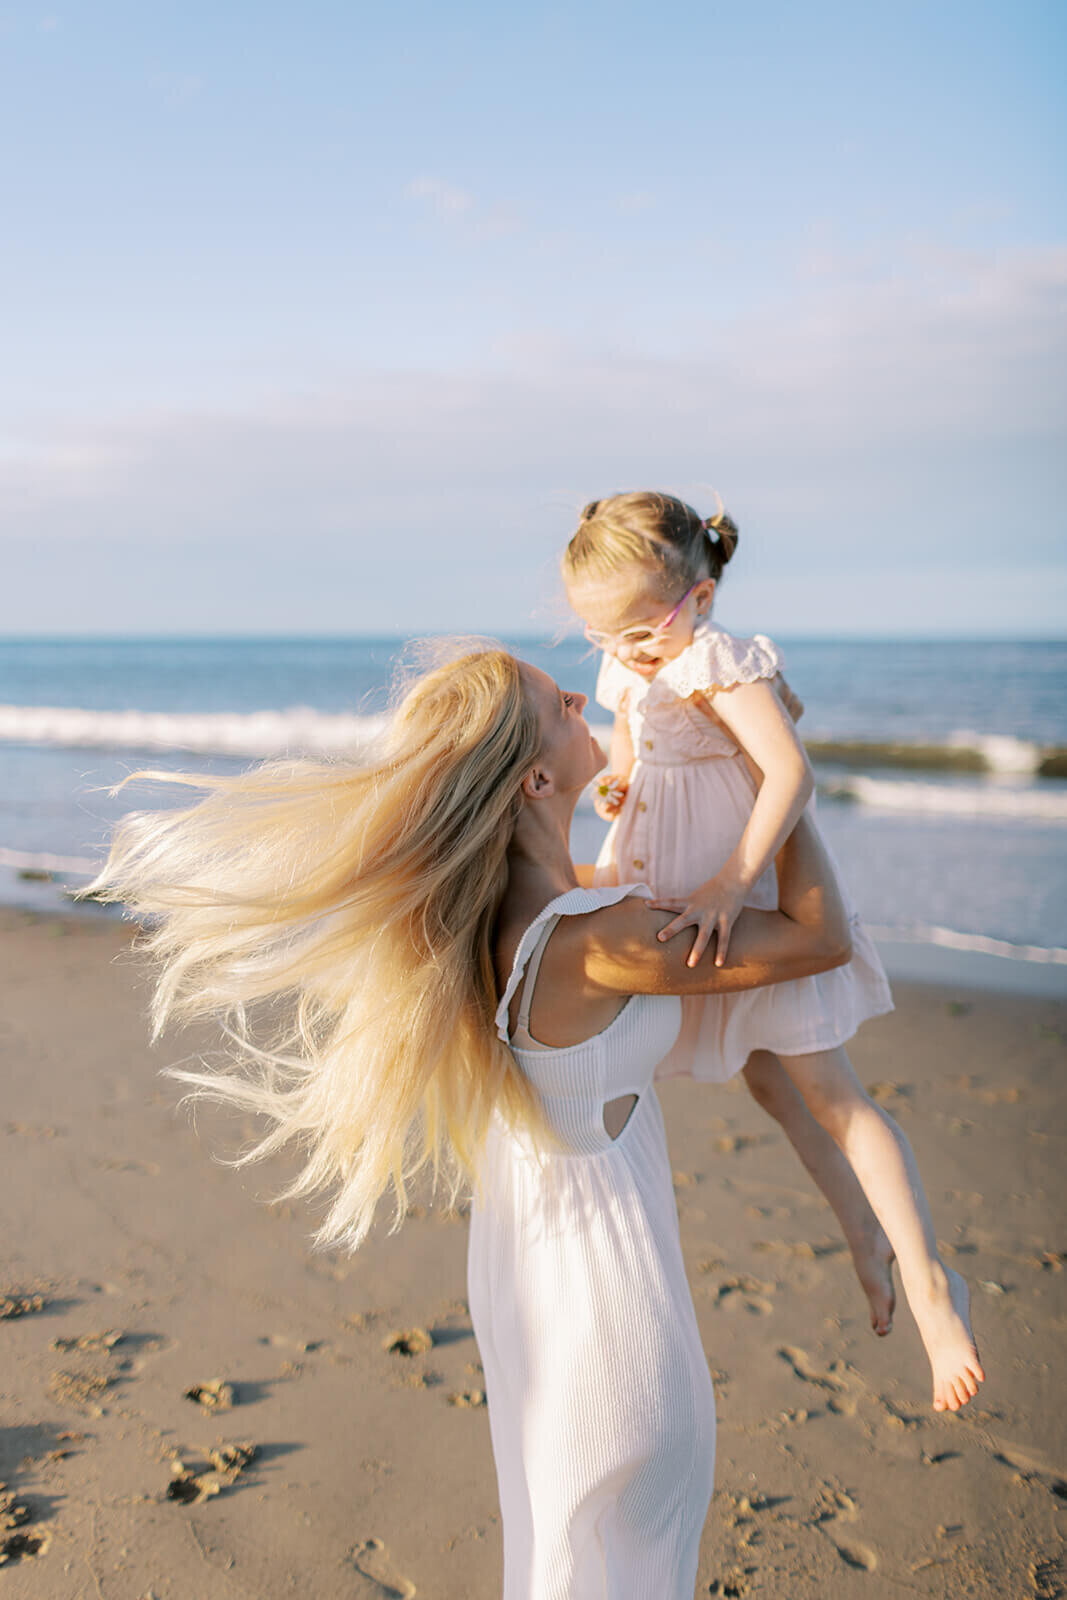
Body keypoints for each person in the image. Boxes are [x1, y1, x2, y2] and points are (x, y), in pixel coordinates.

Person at [86, 641, 858, 1600]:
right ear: (535, 774)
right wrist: (773, 768)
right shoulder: (596, 940)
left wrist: (684, 780)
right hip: (605, 1306)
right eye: (560, 702)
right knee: (628, 1559)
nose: (585, 695)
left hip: (538, 1286)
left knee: (566, 1559)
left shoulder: (520, 910)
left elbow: (641, 875)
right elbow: (820, 939)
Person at [561, 489, 985, 1416]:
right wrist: (617, 782)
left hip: (736, 888)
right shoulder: (631, 667)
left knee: (829, 1091)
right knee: (764, 1083)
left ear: (699, 599)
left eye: (639, 630)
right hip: (668, 882)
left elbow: (789, 772)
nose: (623, 651)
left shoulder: (719, 659)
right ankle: (859, 1239)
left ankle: (927, 1286)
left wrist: (728, 880)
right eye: (602, 637)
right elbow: (627, 750)